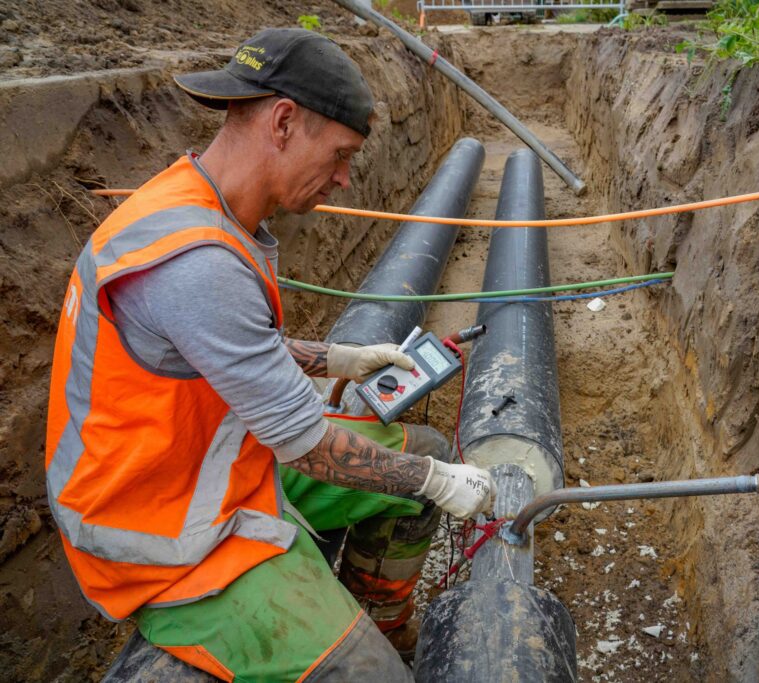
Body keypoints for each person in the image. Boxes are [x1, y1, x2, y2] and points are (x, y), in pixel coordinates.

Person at [45, 27, 494, 681]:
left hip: (209, 469)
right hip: (162, 533)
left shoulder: (200, 207)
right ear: (284, 122)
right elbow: (308, 446)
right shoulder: (198, 263)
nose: (342, 178)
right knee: (377, 662)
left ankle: (380, 623)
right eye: (339, 154)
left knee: (419, 449)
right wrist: (440, 483)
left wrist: (342, 358)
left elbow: (223, 347)